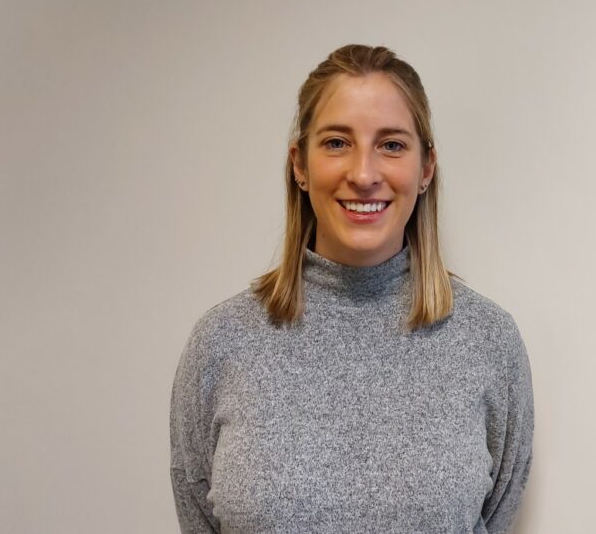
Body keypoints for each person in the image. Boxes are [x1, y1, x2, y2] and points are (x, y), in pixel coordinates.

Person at [169, 44, 534, 534]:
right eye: (337, 142)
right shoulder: (221, 343)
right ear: (300, 165)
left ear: (426, 169)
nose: (363, 175)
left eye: (392, 145)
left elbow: (497, 514)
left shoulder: (488, 341)